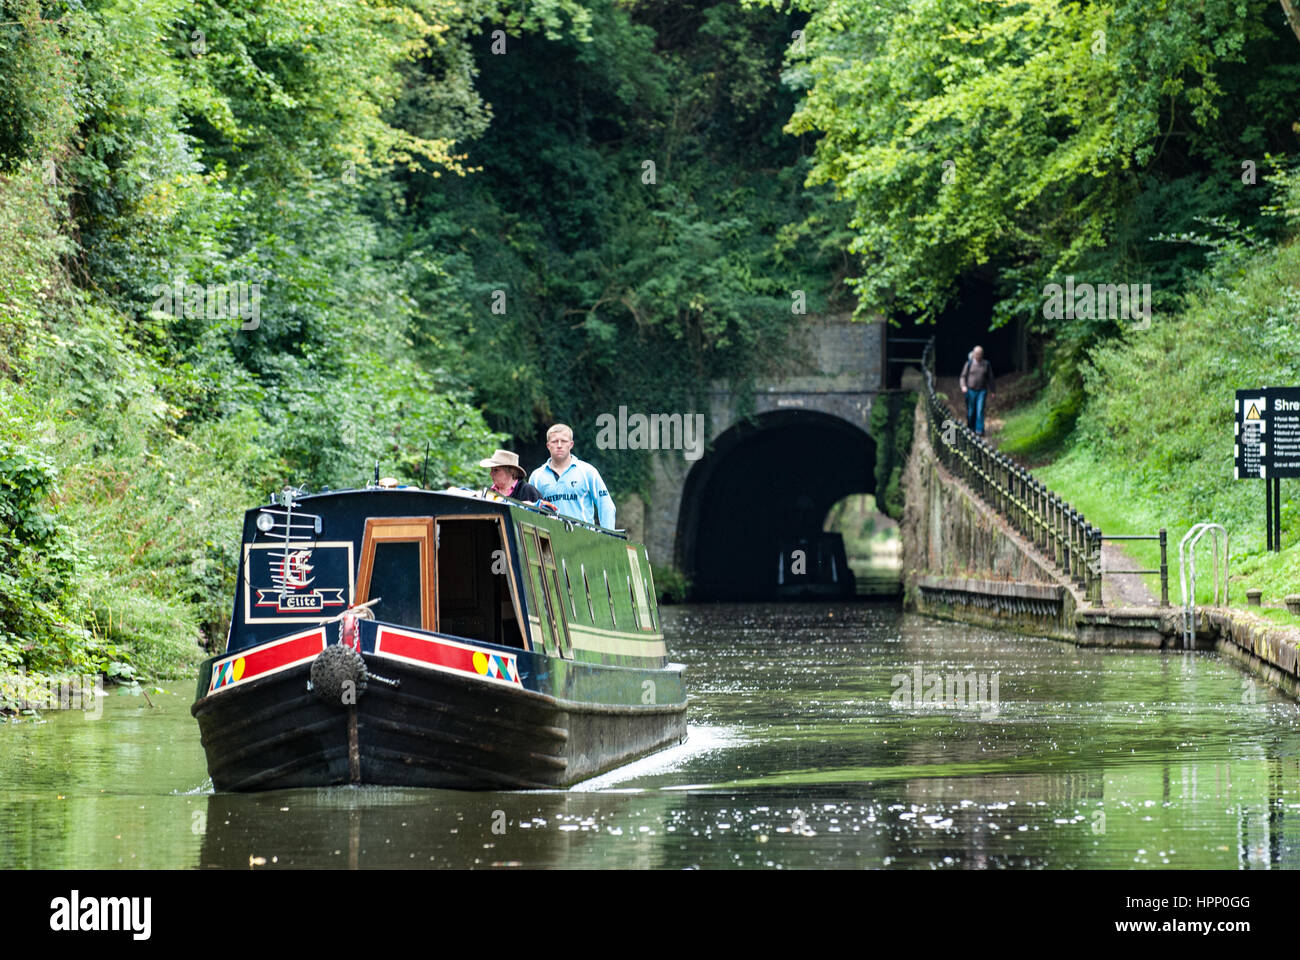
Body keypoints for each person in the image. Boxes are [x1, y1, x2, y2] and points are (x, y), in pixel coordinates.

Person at [529, 423, 616, 528]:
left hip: (584, 539)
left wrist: (608, 537)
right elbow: (530, 511)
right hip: (550, 539)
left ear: (571, 444)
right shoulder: (537, 476)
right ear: (548, 445)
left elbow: (606, 505)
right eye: (555, 441)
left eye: (564, 441)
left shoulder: (587, 471)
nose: (559, 445)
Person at [479, 449, 545, 503]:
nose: (491, 473)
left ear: (511, 471)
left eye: (496, 470)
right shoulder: (489, 493)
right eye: (491, 469)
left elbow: (548, 513)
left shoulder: (527, 491)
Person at [960, 345, 995, 437]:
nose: (978, 356)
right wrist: (963, 386)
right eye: (976, 354)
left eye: (979, 354)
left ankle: (979, 429)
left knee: (980, 410)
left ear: (982, 354)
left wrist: (993, 391)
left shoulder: (986, 364)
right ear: (973, 354)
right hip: (971, 390)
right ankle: (970, 428)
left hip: (982, 391)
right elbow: (962, 376)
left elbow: (990, 378)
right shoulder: (969, 364)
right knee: (971, 411)